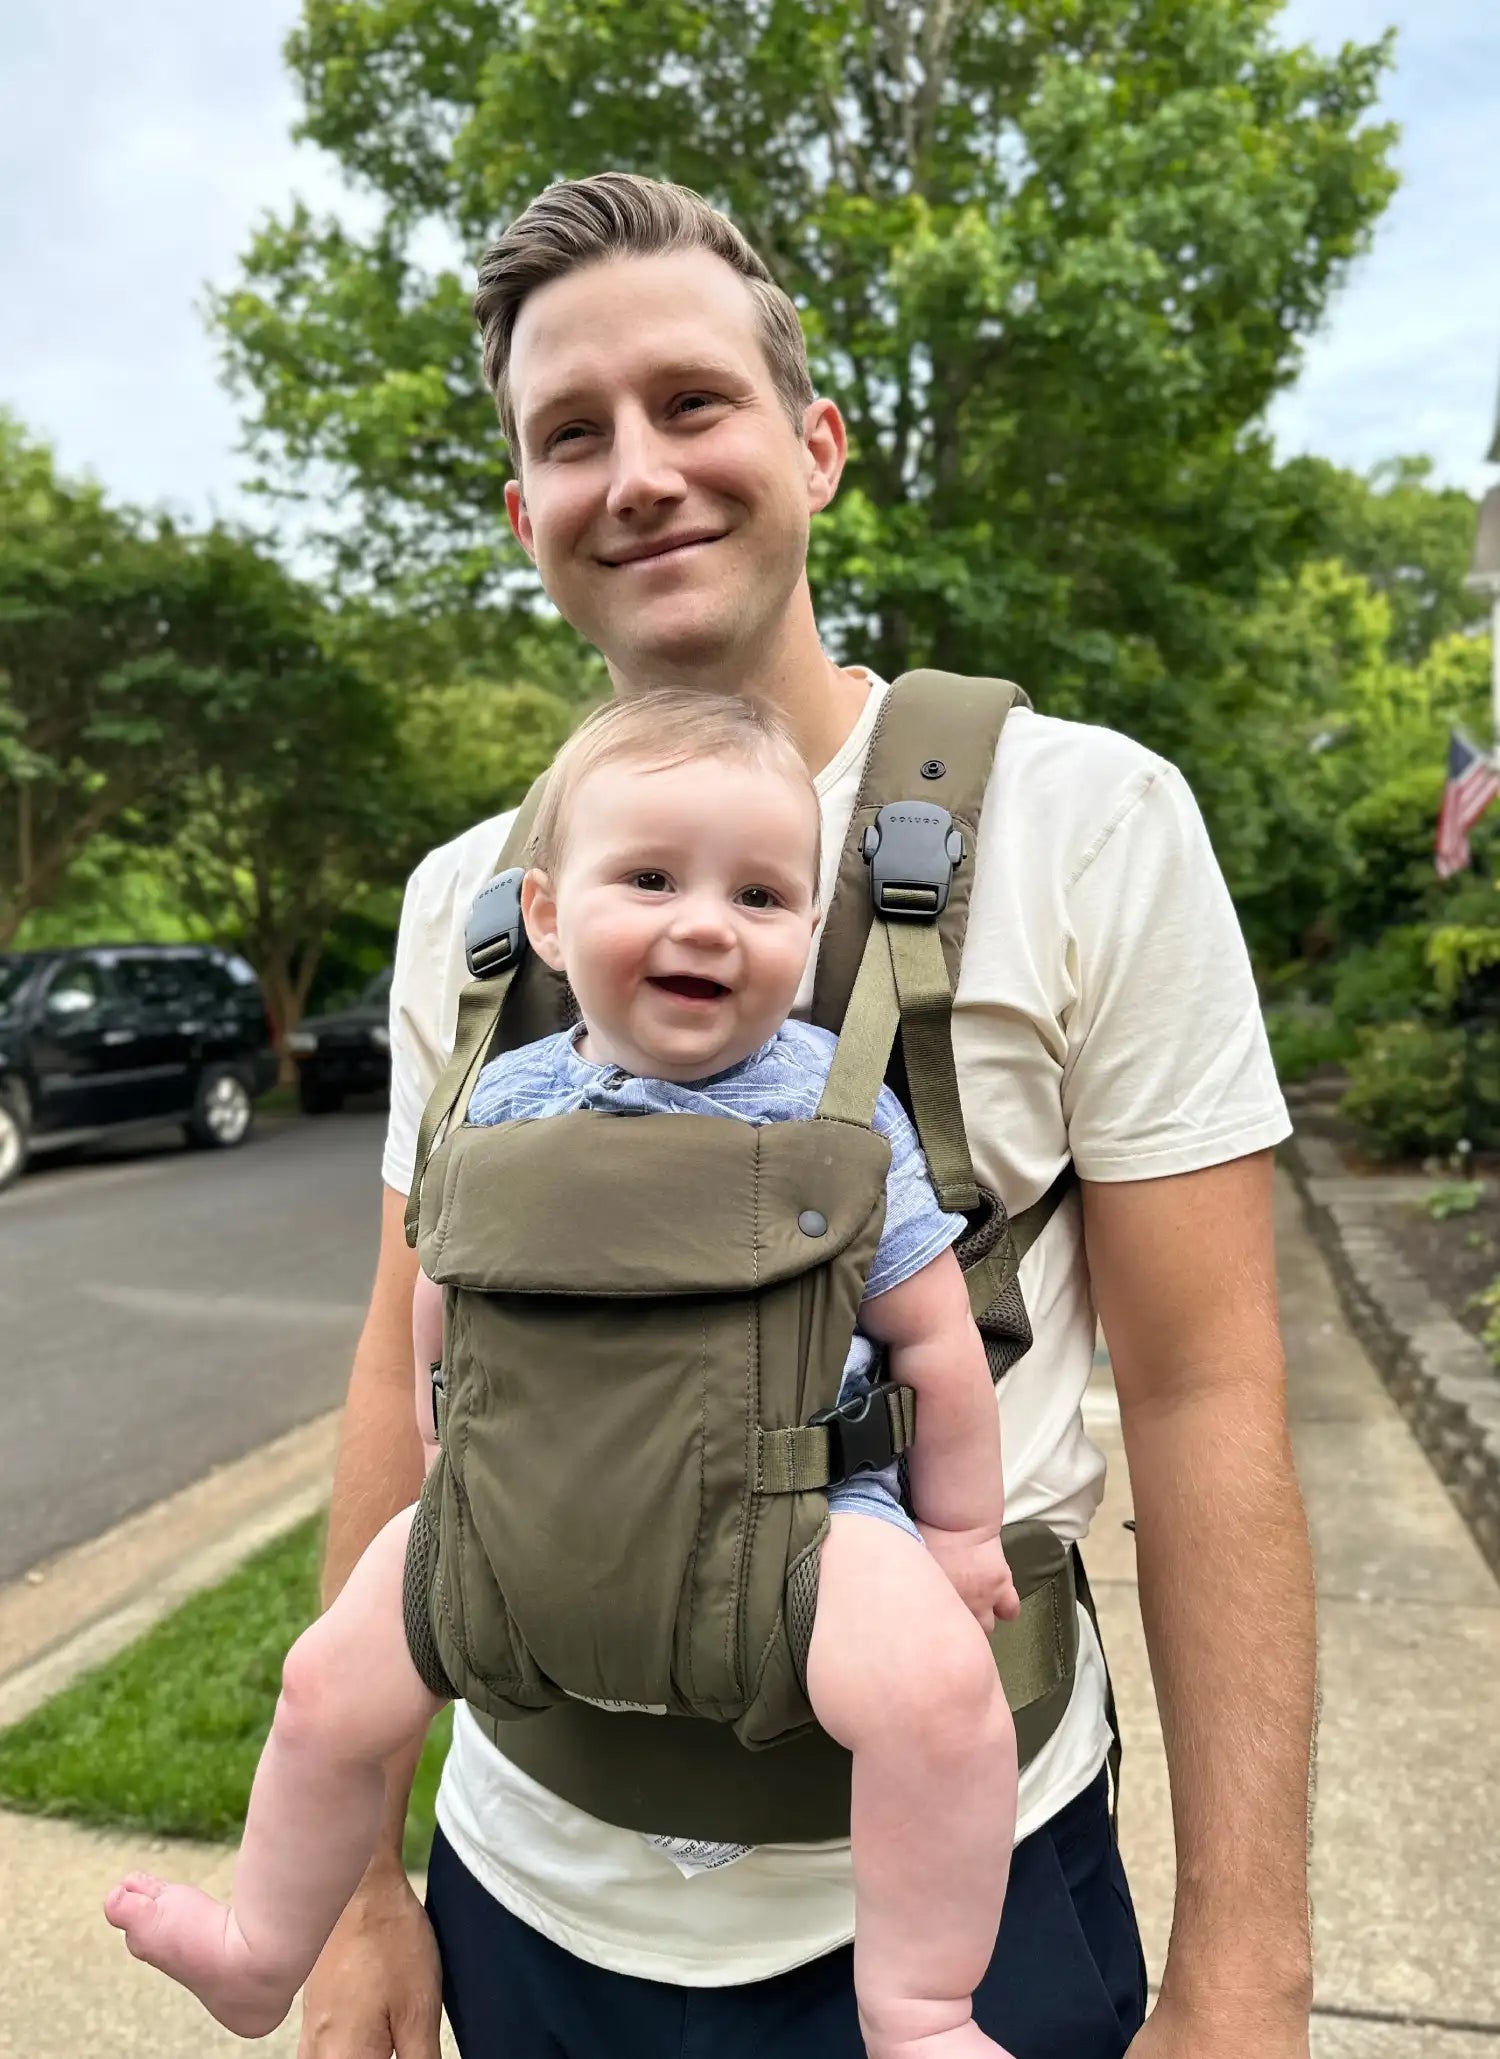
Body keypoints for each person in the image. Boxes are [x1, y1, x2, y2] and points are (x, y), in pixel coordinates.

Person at [293, 174, 1316, 2059]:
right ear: (525, 515)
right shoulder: (474, 901)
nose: (641, 473)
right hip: (522, 1896)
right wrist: (361, 1880)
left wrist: (1245, 1970)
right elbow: (398, 1381)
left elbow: (1205, 1398)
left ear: (816, 445)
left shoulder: (1090, 822)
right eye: (571, 435)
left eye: (695, 403)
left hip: (960, 1915)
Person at [103, 692, 1027, 2059]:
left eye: (762, 894)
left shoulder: (840, 1106)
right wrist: (440, 1479)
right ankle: (258, 1952)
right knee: (321, 1693)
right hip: (504, 1515)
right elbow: (438, 1308)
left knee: (943, 1702)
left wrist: (958, 1532)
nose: (706, 921)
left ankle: (920, 2008)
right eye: (649, 878)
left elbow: (938, 1346)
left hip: (797, 1527)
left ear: (808, 927)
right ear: (545, 914)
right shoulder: (500, 1097)